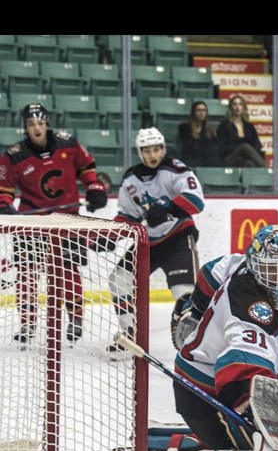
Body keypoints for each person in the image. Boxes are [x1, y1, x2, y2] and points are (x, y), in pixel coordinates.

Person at [173, 225, 278, 451]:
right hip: (202, 386)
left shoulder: (244, 266)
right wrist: (254, 405)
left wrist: (197, 309)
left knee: (252, 450)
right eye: (269, 268)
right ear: (253, 265)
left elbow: (211, 271)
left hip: (222, 377)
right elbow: (242, 356)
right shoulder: (249, 300)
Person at [0, 103, 108, 345]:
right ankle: (27, 324)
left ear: (47, 123)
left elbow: (87, 167)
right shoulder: (14, 155)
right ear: (25, 128)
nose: (36, 128)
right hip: (30, 224)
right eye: (31, 124)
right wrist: (5, 205)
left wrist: (94, 188)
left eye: (40, 122)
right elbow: (3, 189)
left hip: (67, 220)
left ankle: (76, 318)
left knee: (68, 274)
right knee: (27, 274)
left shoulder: (68, 143)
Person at [105, 128, 205, 354]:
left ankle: (192, 340)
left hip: (178, 236)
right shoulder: (131, 178)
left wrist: (169, 206)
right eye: (147, 150)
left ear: (164, 149)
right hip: (147, 242)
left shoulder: (176, 169)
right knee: (119, 279)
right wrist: (110, 234)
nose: (152, 155)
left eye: (157, 149)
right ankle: (128, 333)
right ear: (140, 152)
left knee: (184, 292)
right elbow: (128, 217)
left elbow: (196, 201)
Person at [216, 95, 266, 168]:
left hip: (246, 158)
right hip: (230, 157)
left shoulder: (249, 126)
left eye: (240, 104)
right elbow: (221, 146)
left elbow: (256, 145)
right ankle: (265, 170)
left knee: (249, 164)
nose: (237, 107)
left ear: (243, 108)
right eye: (235, 104)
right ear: (230, 107)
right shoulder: (224, 125)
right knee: (244, 147)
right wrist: (238, 147)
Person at [177, 101, 220, 168]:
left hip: (205, 161)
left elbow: (212, 149)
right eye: (198, 110)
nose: (201, 113)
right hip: (190, 159)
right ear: (193, 112)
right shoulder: (184, 127)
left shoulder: (209, 131)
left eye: (204, 110)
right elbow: (186, 147)